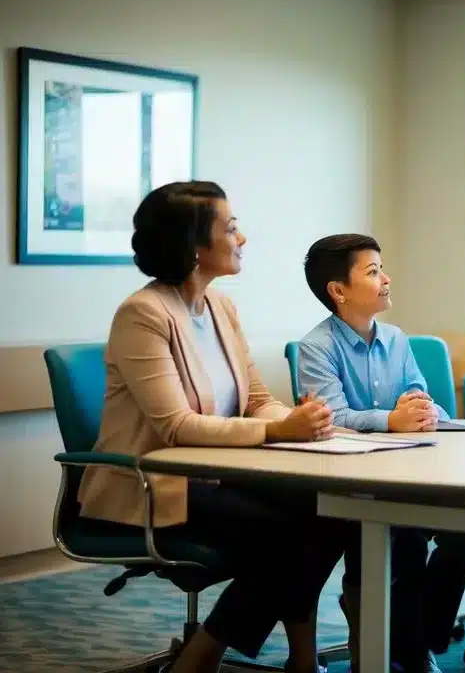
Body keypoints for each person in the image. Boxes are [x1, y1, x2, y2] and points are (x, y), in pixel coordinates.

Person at [77, 181, 347, 673]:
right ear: (195, 247)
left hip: (216, 474)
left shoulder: (222, 308)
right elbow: (176, 425)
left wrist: (297, 419)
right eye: (231, 228)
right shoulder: (143, 314)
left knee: (332, 511)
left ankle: (297, 659)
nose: (241, 239)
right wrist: (278, 432)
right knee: (285, 535)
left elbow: (258, 400)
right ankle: (205, 656)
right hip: (151, 485)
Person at [296, 233, 465, 673]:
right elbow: (332, 418)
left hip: (414, 468)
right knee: (406, 539)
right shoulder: (317, 348)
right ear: (338, 291)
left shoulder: (398, 339)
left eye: (382, 268)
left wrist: (421, 410)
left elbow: (422, 398)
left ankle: (416, 640)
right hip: (356, 482)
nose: (386, 279)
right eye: (373, 271)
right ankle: (410, 650)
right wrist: (390, 420)